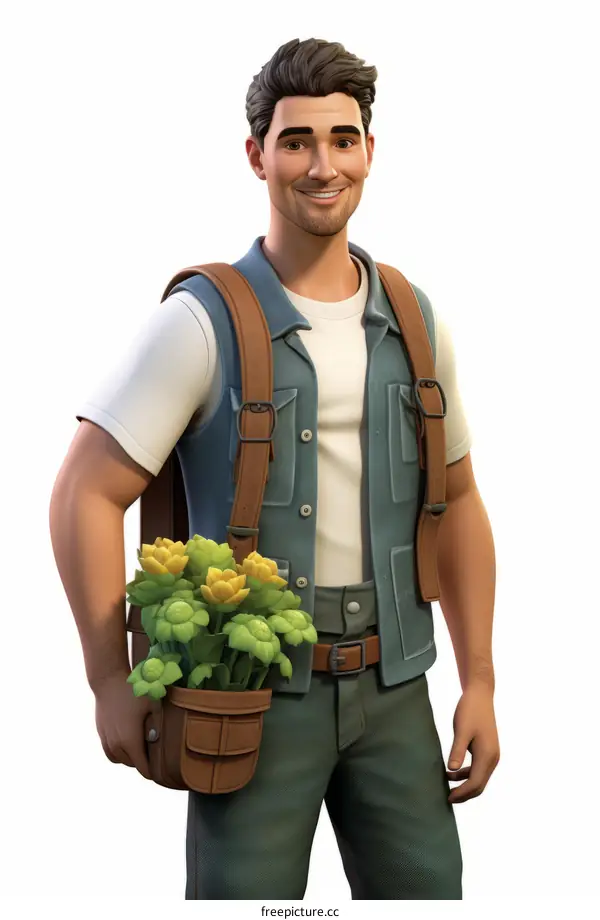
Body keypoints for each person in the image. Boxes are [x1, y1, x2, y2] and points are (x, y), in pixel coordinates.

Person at [50, 37, 499, 900]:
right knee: (245, 900)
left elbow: (463, 500)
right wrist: (111, 676)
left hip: (396, 683)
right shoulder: (201, 321)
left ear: (370, 151)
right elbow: (84, 491)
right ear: (257, 155)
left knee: (428, 896)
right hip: (250, 691)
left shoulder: (412, 319)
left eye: (342, 138)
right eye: (296, 140)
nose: (322, 164)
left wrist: (478, 679)